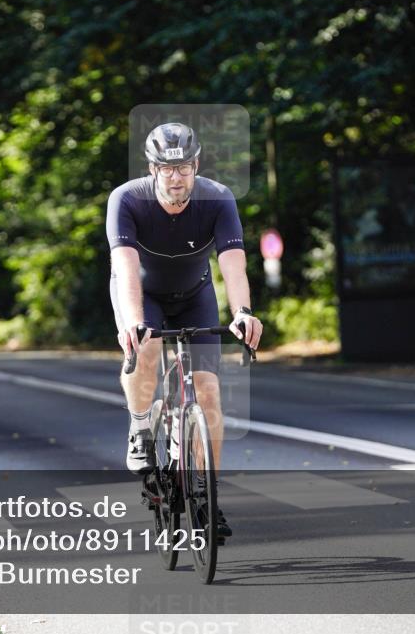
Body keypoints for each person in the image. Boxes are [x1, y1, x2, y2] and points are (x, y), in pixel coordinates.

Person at [106, 122, 264, 539]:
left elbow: (233, 263)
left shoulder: (218, 198)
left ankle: (205, 495)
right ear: (152, 168)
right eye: (165, 168)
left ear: (196, 166)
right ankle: (141, 426)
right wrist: (136, 322)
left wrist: (243, 312)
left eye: (183, 168)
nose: (175, 178)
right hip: (141, 293)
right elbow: (124, 267)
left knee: (209, 392)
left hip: (195, 294)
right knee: (147, 348)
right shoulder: (127, 199)